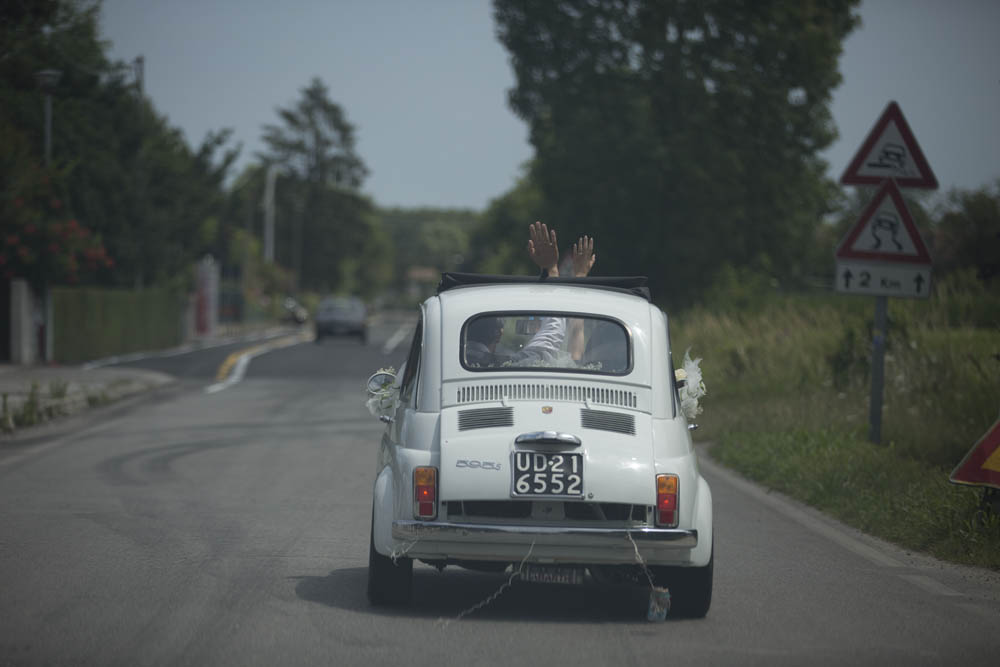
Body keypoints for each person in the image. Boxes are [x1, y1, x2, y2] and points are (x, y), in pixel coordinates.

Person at [464, 222, 595, 368]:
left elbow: (552, 331)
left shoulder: (442, 360)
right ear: (499, 334)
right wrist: (553, 270)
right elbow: (552, 334)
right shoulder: (515, 365)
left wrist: (551, 269)